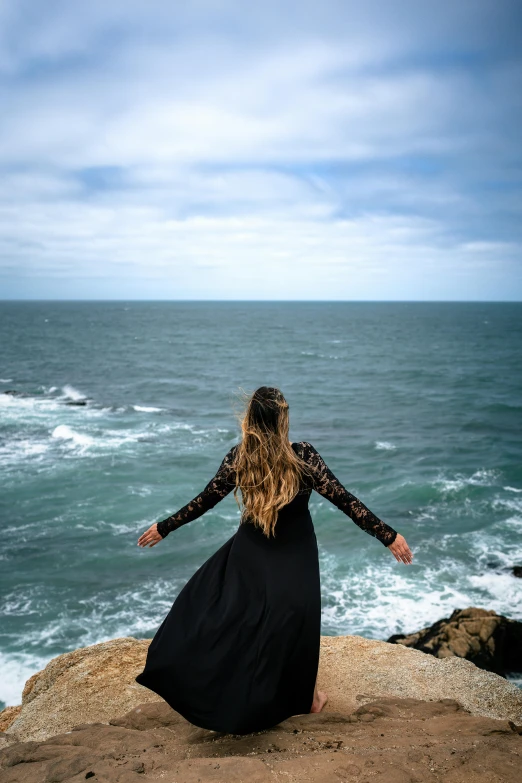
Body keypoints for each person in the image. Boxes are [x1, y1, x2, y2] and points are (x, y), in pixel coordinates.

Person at [135, 386, 413, 735]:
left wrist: (165, 527)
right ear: (282, 419)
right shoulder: (303, 456)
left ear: (251, 419)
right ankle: (307, 700)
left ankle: (275, 694)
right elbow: (345, 500)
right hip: (294, 555)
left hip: (251, 552)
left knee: (234, 618)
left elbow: (204, 501)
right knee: (295, 623)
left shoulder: (240, 458)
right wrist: (389, 535)